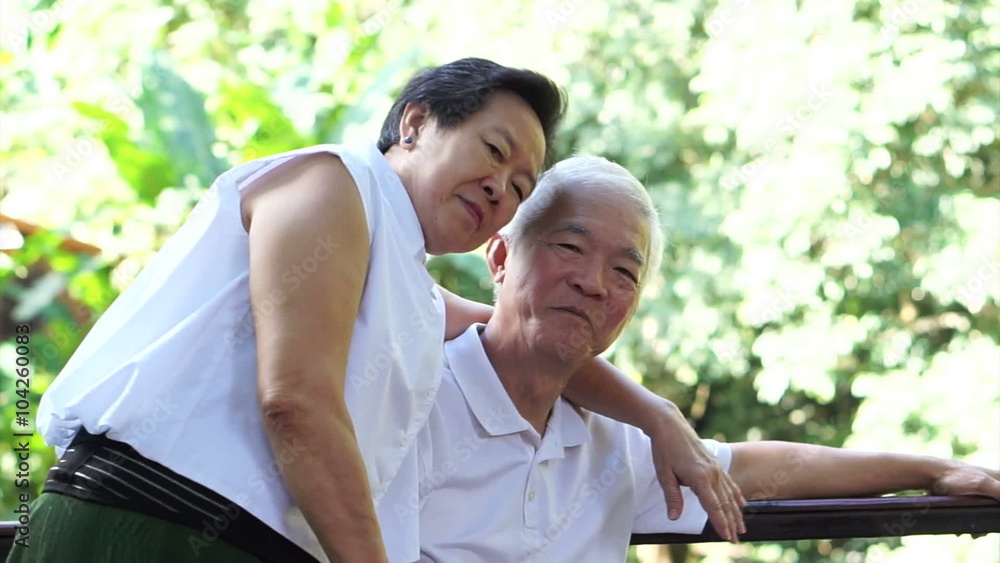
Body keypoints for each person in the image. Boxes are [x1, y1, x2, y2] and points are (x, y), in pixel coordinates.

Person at [18, 59, 742, 563]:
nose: (501, 188)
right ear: (416, 122)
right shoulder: (334, 185)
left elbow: (515, 335)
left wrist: (658, 416)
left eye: (522, 186)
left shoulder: (406, 283)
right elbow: (296, 402)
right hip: (149, 524)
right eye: (492, 152)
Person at [292, 154, 996, 561]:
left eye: (625, 272)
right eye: (569, 248)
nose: (594, 283)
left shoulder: (616, 445)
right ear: (500, 258)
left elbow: (756, 469)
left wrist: (930, 470)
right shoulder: (404, 391)